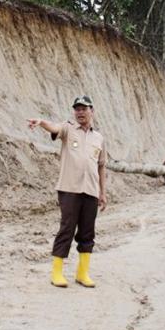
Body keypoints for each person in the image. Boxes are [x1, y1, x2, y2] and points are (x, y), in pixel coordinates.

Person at [28, 96, 107, 288]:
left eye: (84, 109)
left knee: (88, 232)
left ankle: (82, 273)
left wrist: (102, 193)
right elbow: (54, 127)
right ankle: (57, 273)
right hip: (69, 189)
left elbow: (102, 166)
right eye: (77, 109)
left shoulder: (99, 138)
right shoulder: (68, 128)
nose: (80, 112)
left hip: (90, 190)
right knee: (67, 229)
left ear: (92, 111)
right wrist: (41, 122)